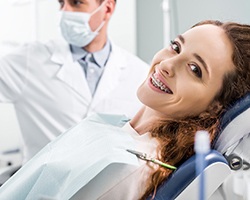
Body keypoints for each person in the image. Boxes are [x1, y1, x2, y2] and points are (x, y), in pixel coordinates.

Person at [0, 20, 250, 200]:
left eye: (195, 69)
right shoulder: (119, 127)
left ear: (216, 105)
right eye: (176, 47)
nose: (167, 64)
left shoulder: (127, 169)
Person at [0, 0, 149, 162]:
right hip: (45, 185)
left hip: (108, 185)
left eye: (76, 3)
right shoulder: (30, 61)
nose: (65, 11)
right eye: (61, 3)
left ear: (107, 8)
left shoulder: (139, 73)